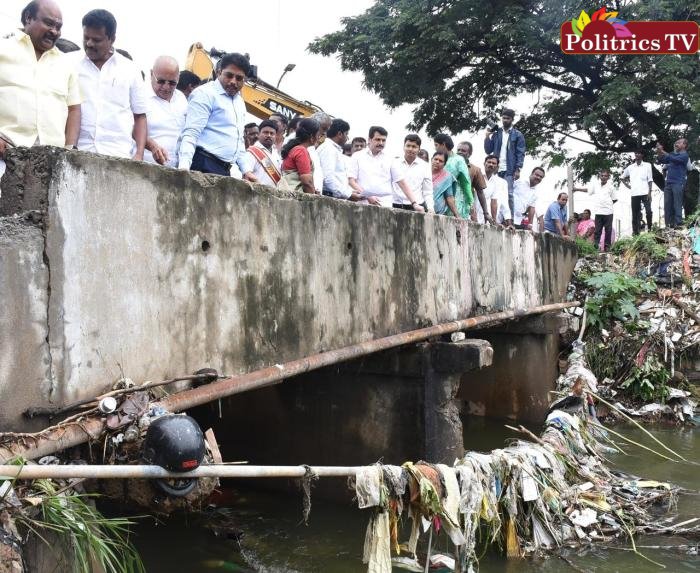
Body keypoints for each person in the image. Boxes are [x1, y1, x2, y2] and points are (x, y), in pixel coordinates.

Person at [0, 0, 81, 186]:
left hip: (50, 165)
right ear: (28, 18)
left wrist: (69, 150)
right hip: (6, 157)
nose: (54, 31)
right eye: (49, 23)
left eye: (58, 26)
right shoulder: (3, 49)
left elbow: (74, 109)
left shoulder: (65, 64)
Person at [76, 9, 147, 160]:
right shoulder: (71, 64)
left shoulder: (130, 69)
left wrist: (139, 154)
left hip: (117, 156)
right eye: (86, 37)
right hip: (78, 152)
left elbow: (140, 116)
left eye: (96, 40)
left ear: (112, 39)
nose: (89, 43)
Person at [178, 52, 255, 180]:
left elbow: (238, 140)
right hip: (203, 164)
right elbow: (191, 133)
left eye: (239, 78)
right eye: (229, 75)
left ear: (245, 79)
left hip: (224, 169)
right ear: (219, 72)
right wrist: (184, 169)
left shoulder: (239, 101)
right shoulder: (205, 94)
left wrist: (247, 171)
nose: (233, 81)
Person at [349, 126, 424, 211]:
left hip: (384, 206)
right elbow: (351, 181)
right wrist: (367, 196)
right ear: (369, 140)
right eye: (377, 139)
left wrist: (414, 204)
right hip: (362, 204)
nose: (381, 143)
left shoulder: (390, 159)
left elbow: (402, 182)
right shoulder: (357, 156)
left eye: (383, 140)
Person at [143, 56, 187, 167]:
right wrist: (152, 146)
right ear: (151, 74)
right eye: (161, 81)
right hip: (147, 168)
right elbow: (130, 128)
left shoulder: (181, 98)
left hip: (178, 170)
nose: (166, 87)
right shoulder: (140, 96)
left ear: (178, 78)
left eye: (172, 83)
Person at [483, 108, 526, 215]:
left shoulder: (518, 135)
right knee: (493, 192)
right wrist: (487, 136)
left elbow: (520, 153)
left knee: (509, 194)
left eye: (507, 118)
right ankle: (494, 217)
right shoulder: (497, 133)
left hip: (509, 169)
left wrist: (518, 169)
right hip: (496, 168)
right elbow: (488, 150)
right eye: (503, 118)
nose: (505, 120)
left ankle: (509, 219)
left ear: (512, 119)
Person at [574, 169, 618, 251]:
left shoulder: (611, 187)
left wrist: (607, 204)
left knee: (608, 230)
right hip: (598, 212)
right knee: (598, 231)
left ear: (608, 177)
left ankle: (607, 248)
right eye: (602, 175)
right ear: (600, 176)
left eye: (605, 176)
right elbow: (588, 190)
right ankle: (596, 247)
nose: (603, 177)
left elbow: (615, 199)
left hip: (608, 212)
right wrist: (577, 189)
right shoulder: (596, 185)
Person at [317, 118, 359, 200]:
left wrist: (349, 191)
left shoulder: (333, 149)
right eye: (346, 134)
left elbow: (338, 177)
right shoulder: (328, 149)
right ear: (340, 134)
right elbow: (328, 178)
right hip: (329, 197)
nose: (347, 138)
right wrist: (348, 194)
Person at [433, 134, 473, 217]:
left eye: (436, 145)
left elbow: (465, 182)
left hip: (454, 197)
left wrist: (470, 202)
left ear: (443, 144)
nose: (435, 148)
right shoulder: (436, 158)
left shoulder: (458, 160)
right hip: (437, 197)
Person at [392, 134, 433, 212]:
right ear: (404, 147)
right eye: (408, 146)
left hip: (418, 207)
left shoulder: (425, 166)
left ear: (419, 149)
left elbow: (427, 191)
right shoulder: (394, 163)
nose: (410, 149)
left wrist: (430, 208)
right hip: (396, 205)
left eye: (414, 147)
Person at [280, 118, 320, 194]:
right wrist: (313, 200)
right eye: (318, 135)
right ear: (312, 137)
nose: (318, 138)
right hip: (295, 197)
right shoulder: (301, 151)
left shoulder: (295, 149)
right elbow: (307, 182)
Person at [656, 139, 690, 228]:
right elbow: (661, 160)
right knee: (667, 205)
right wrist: (659, 151)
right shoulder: (673, 153)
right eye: (676, 142)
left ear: (685, 145)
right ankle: (668, 224)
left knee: (677, 204)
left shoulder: (684, 155)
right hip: (668, 183)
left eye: (679, 142)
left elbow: (672, 159)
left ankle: (678, 223)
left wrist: (662, 151)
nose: (676, 143)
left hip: (678, 183)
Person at [456, 141, 491, 223]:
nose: (460, 152)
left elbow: (480, 192)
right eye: (458, 150)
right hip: (449, 205)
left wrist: (486, 213)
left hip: (466, 207)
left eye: (463, 151)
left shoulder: (475, 170)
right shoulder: (448, 165)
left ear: (469, 154)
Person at [622, 150, 653, 235]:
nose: (637, 155)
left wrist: (650, 192)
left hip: (645, 192)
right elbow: (622, 177)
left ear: (642, 155)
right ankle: (635, 232)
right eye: (636, 153)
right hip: (635, 193)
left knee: (649, 211)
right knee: (635, 214)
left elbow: (650, 180)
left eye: (639, 153)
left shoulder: (647, 165)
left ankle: (650, 229)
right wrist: (628, 186)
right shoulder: (630, 167)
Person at [247, 119, 282, 187]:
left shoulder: (276, 154)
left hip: (273, 194)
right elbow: (247, 175)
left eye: (272, 133)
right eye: (265, 132)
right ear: (259, 133)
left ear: (275, 136)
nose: (269, 135)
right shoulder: (251, 152)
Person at [483, 155, 512, 227]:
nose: (491, 164)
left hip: (491, 220)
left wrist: (509, 223)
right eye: (489, 162)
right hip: (475, 217)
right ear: (484, 163)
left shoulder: (501, 182)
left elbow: (504, 203)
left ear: (497, 167)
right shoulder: (477, 176)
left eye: (493, 163)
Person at [309, 112, 332, 193]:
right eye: (324, 129)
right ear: (314, 124)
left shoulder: (314, 145)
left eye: (327, 130)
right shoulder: (301, 141)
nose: (325, 133)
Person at [431, 151, 459, 217]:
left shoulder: (447, 177)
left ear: (444, 164)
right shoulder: (423, 172)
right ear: (431, 159)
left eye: (441, 161)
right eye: (436, 159)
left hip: (438, 213)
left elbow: (449, 196)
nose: (437, 162)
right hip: (420, 208)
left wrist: (457, 214)